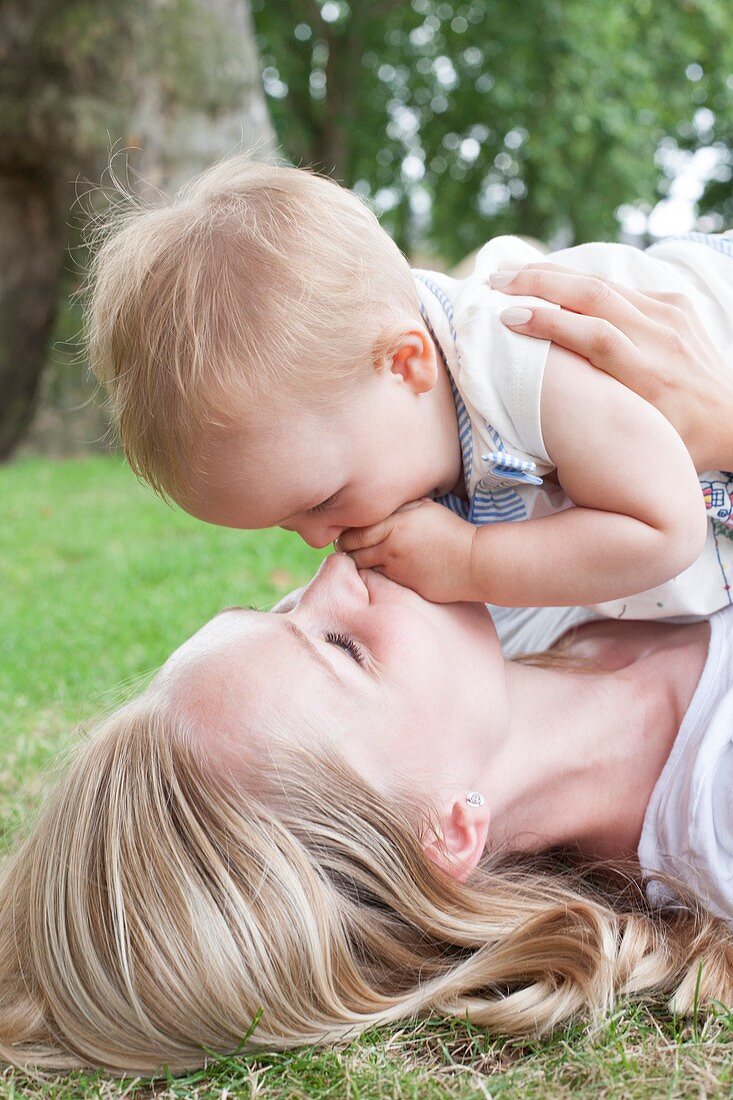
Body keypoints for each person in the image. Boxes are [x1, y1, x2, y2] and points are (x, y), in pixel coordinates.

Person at [1, 277, 733, 1077]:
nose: (330, 571)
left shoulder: (530, 581)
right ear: (447, 830)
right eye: (343, 647)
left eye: (276, 607)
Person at [87, 157, 733, 621]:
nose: (318, 538)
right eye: (286, 526)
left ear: (406, 364)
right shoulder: (392, 419)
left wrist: (473, 560)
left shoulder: (518, 356)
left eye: (322, 500)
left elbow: (662, 525)